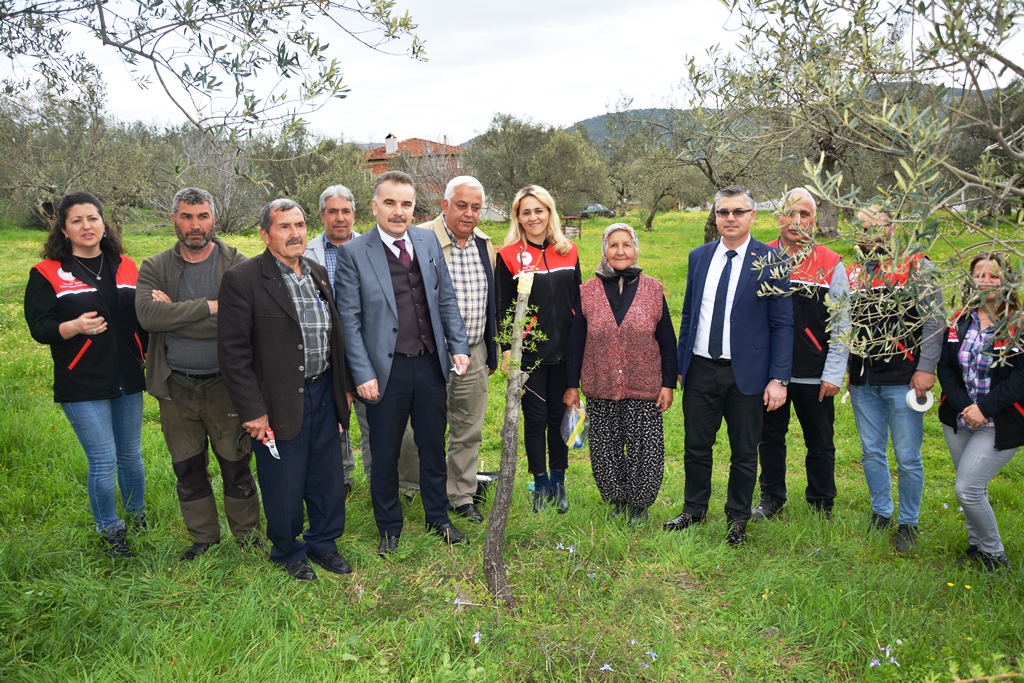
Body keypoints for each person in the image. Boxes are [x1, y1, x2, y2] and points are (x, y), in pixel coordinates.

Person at [335, 170, 471, 557]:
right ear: (375, 206)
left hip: (429, 365)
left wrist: (458, 345)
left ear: (415, 208)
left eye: (406, 204)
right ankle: (389, 526)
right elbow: (350, 320)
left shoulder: (427, 241)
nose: (399, 212)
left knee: (432, 445)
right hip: (384, 372)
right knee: (385, 452)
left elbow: (445, 300)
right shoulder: (354, 253)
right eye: (390, 203)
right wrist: (362, 374)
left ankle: (438, 518)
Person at [218, 198, 353, 581]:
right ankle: (288, 551)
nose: (295, 233)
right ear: (265, 234)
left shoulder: (314, 271)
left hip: (324, 390)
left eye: (299, 225)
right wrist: (252, 411)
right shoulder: (243, 279)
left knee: (327, 475)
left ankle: (324, 543)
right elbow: (232, 353)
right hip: (277, 399)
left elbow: (334, 336)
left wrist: (341, 388)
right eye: (284, 227)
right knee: (284, 480)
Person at [136, 187, 261, 562]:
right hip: (176, 386)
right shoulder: (155, 266)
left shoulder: (237, 263)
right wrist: (211, 306)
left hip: (226, 385)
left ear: (214, 219)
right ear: (174, 219)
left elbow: (245, 321)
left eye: (202, 216)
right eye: (187, 217)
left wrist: (175, 314)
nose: (195, 225)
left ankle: (247, 535)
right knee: (188, 467)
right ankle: (203, 539)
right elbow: (147, 317)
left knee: (236, 463)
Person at [664, 185, 793, 546]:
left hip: (747, 373)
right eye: (723, 212)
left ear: (752, 216)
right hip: (702, 369)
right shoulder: (699, 257)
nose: (730, 218)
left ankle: (737, 518)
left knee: (744, 451)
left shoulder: (772, 261)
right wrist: (679, 363)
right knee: (696, 445)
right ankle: (694, 509)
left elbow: (783, 324)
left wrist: (779, 378)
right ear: (716, 217)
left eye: (738, 211)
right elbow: (689, 314)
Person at [24, 192, 147, 558]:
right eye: (76, 220)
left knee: (131, 456)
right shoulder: (47, 272)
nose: (86, 226)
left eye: (92, 218)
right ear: (64, 229)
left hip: (127, 375)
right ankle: (110, 528)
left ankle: (137, 515)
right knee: (104, 460)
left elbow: (140, 319)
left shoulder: (126, 265)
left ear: (104, 223)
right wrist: (74, 325)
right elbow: (39, 327)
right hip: (82, 381)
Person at [396, 176, 497, 524]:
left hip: (474, 350)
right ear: (445, 205)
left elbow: (490, 301)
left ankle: (461, 494)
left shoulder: (485, 245)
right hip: (429, 354)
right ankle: (411, 488)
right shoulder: (420, 240)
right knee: (417, 429)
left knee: (468, 427)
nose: (469, 214)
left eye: (476, 207)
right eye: (461, 205)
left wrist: (489, 352)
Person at [564, 223, 677, 525]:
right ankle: (618, 500)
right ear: (604, 250)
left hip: (645, 385)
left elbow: (667, 339)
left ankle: (639, 505)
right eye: (613, 245)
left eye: (626, 244)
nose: (620, 251)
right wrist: (571, 385)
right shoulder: (587, 291)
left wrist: (668, 383)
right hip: (601, 384)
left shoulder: (654, 289)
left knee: (646, 448)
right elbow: (576, 341)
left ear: (636, 249)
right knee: (605, 448)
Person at [847, 208, 944, 553]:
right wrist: (848, 370)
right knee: (871, 451)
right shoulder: (854, 271)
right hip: (863, 379)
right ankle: (880, 512)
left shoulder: (917, 265)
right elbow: (846, 325)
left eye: (876, 227)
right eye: (862, 227)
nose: (868, 233)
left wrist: (926, 367)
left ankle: (909, 522)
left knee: (907, 455)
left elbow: (935, 321)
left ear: (891, 229)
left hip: (904, 379)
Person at [753, 188, 850, 520]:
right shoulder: (760, 257)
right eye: (790, 213)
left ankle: (822, 502)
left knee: (820, 442)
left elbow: (842, 324)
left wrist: (834, 372)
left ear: (815, 220)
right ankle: (771, 498)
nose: (796, 221)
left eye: (804, 214)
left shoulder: (830, 263)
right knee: (769, 439)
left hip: (815, 372)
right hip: (770, 374)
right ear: (778, 217)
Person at [496, 185, 582, 512]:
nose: (533, 217)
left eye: (539, 210)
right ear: (518, 216)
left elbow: (578, 300)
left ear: (549, 212)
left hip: (565, 351)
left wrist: (581, 345)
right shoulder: (507, 255)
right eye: (526, 211)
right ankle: (541, 485)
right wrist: (507, 349)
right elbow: (503, 304)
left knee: (560, 416)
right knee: (535, 421)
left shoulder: (568, 250)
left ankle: (559, 483)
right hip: (529, 355)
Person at [936, 253, 1022, 571]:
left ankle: (995, 555)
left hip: (999, 422)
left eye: (994, 276)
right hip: (960, 419)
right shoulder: (961, 319)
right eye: (979, 274)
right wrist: (965, 407)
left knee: (967, 488)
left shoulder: (1018, 324)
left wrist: (984, 409)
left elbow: (1020, 378)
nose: (985, 281)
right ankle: (977, 547)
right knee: (972, 486)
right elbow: (945, 366)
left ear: (1007, 282)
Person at [304, 184, 367, 497]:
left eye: (345, 211)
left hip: (367, 347)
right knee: (332, 415)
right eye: (333, 212)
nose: (339, 218)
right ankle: (341, 477)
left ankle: (383, 479)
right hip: (325, 348)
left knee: (373, 416)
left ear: (354, 214)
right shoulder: (305, 252)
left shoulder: (372, 247)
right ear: (322, 216)